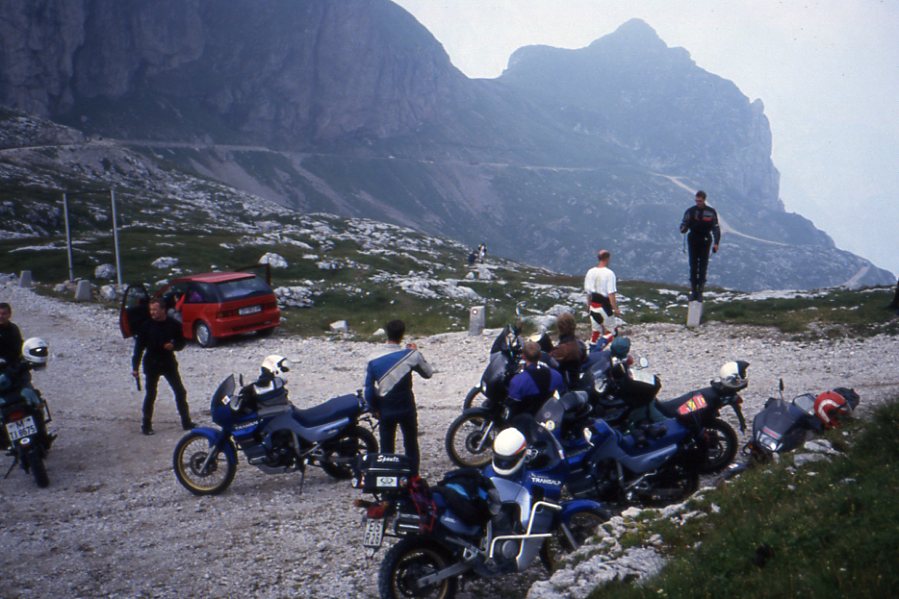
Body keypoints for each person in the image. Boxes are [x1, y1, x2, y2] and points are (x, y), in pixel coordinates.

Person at [364, 319, 433, 474]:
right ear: (402, 335)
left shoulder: (372, 359)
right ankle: (413, 478)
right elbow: (428, 373)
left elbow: (368, 389)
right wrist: (417, 352)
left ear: (386, 333)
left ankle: (388, 481)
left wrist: (373, 408)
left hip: (385, 408)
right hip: (406, 407)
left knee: (387, 447)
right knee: (411, 443)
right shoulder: (410, 355)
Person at [131, 297, 194, 435]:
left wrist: (174, 346)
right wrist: (135, 367)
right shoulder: (145, 326)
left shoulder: (173, 324)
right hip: (152, 363)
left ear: (163, 310)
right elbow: (138, 348)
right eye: (151, 310)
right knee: (151, 394)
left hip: (168, 362)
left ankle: (186, 421)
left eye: (155, 310)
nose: (152, 313)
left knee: (180, 391)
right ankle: (146, 425)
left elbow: (182, 342)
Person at [680, 190, 721, 302]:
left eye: (700, 201)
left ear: (704, 200)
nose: (698, 203)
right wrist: (683, 229)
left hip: (705, 239)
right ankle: (693, 291)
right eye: (696, 201)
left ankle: (700, 292)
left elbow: (716, 228)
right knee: (693, 265)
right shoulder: (690, 211)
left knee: (703, 266)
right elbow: (683, 224)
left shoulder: (711, 212)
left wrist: (716, 243)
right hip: (693, 239)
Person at [507, 341, 566, 418]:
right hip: (547, 415)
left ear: (523, 357)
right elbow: (562, 393)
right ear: (540, 355)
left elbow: (512, 407)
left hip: (527, 419)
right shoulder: (555, 375)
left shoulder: (517, 381)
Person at [584, 249, 621, 346]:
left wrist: (588, 305)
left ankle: (592, 351)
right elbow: (611, 294)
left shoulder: (590, 272)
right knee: (612, 332)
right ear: (608, 259)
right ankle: (612, 352)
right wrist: (615, 309)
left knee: (595, 332)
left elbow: (588, 292)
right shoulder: (609, 274)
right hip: (604, 306)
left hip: (593, 306)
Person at [549, 312, 587, 389]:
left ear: (559, 328)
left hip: (567, 386)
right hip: (575, 378)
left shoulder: (563, 349)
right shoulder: (580, 344)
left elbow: (550, 361)